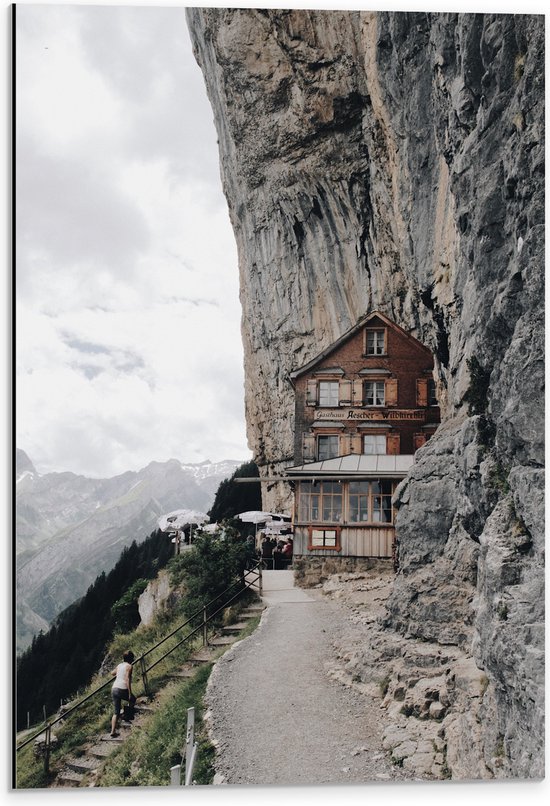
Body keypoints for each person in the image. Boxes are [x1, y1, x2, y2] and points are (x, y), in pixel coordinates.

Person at [110, 650, 135, 737]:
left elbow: (112, 673)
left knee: (116, 712)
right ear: (131, 658)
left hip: (114, 688)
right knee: (132, 699)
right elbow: (127, 679)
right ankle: (126, 716)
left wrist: (118, 672)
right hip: (122, 688)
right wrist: (130, 692)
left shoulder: (119, 665)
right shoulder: (129, 666)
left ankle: (112, 731)